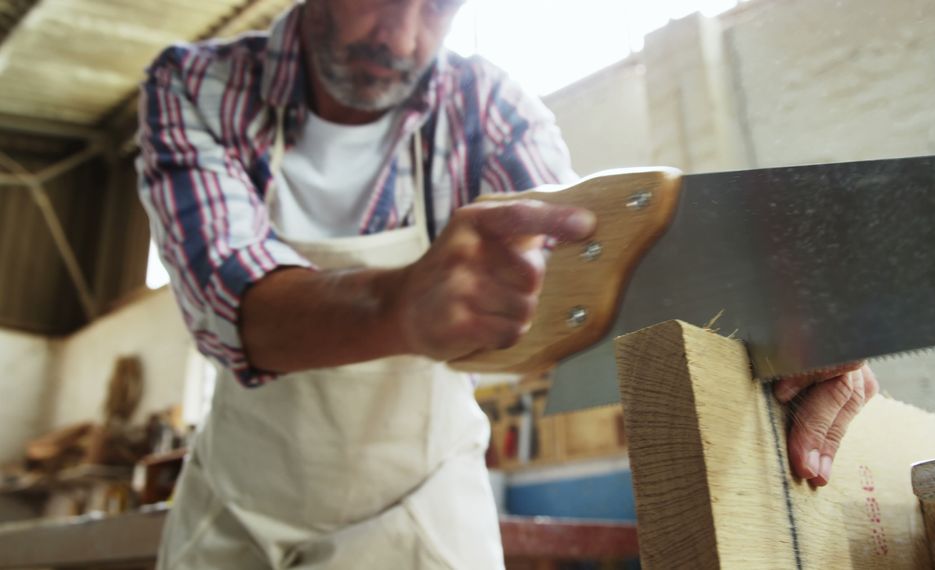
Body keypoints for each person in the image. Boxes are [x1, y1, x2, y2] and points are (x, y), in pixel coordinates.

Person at [137, 0, 879, 567]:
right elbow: (234, 304)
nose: (400, 38)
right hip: (237, 508)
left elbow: (588, 272)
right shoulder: (196, 87)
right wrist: (398, 303)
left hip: (421, 506)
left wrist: (771, 323)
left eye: (435, 7)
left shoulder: (487, 108)